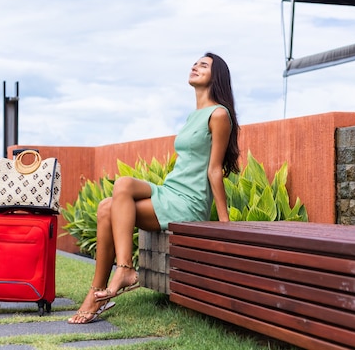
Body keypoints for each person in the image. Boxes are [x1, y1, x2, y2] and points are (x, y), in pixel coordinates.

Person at [68, 52, 240, 324]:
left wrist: (224, 222)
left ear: (215, 76)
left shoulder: (219, 115)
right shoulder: (193, 116)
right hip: (170, 191)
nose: (195, 66)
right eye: (195, 63)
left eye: (203, 65)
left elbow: (214, 169)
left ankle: (123, 270)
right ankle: (97, 292)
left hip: (188, 202)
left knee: (121, 186)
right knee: (105, 207)